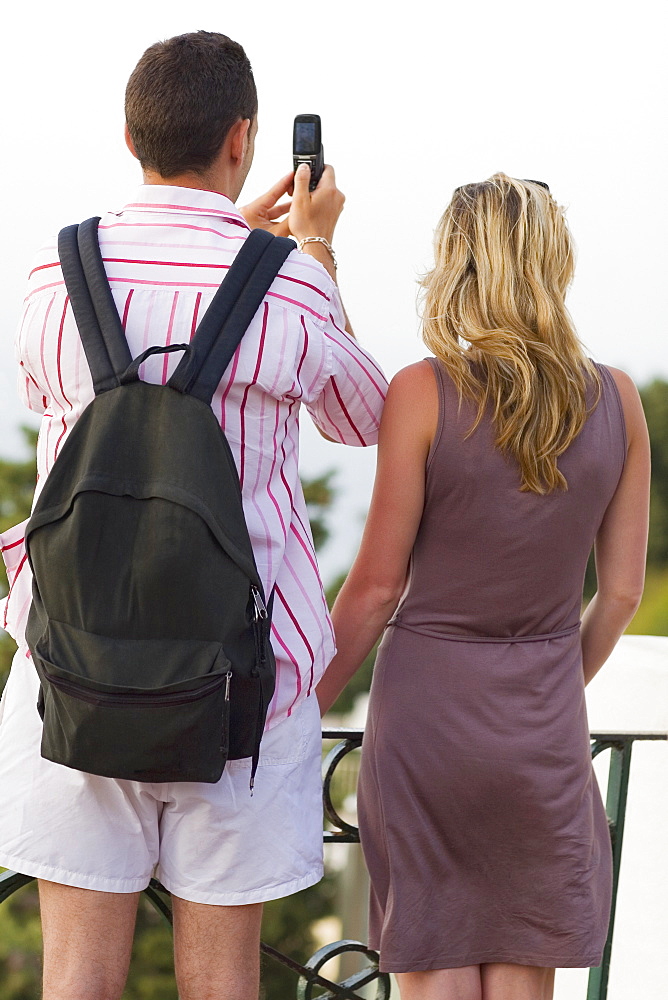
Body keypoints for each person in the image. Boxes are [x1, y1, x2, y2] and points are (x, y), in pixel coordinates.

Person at [0, 31, 387, 1000]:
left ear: (130, 135)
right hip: (240, 687)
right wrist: (306, 249)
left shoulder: (56, 273)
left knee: (76, 976)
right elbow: (361, 416)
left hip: (72, 671)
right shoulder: (290, 281)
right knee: (221, 982)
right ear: (243, 139)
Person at [316, 174, 650, 1000]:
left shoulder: (424, 392)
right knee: (523, 982)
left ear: (457, 263)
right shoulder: (619, 400)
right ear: (552, 262)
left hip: (428, 722)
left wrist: (302, 708)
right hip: (543, 730)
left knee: (436, 977)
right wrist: (550, 684)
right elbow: (621, 595)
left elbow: (375, 590)